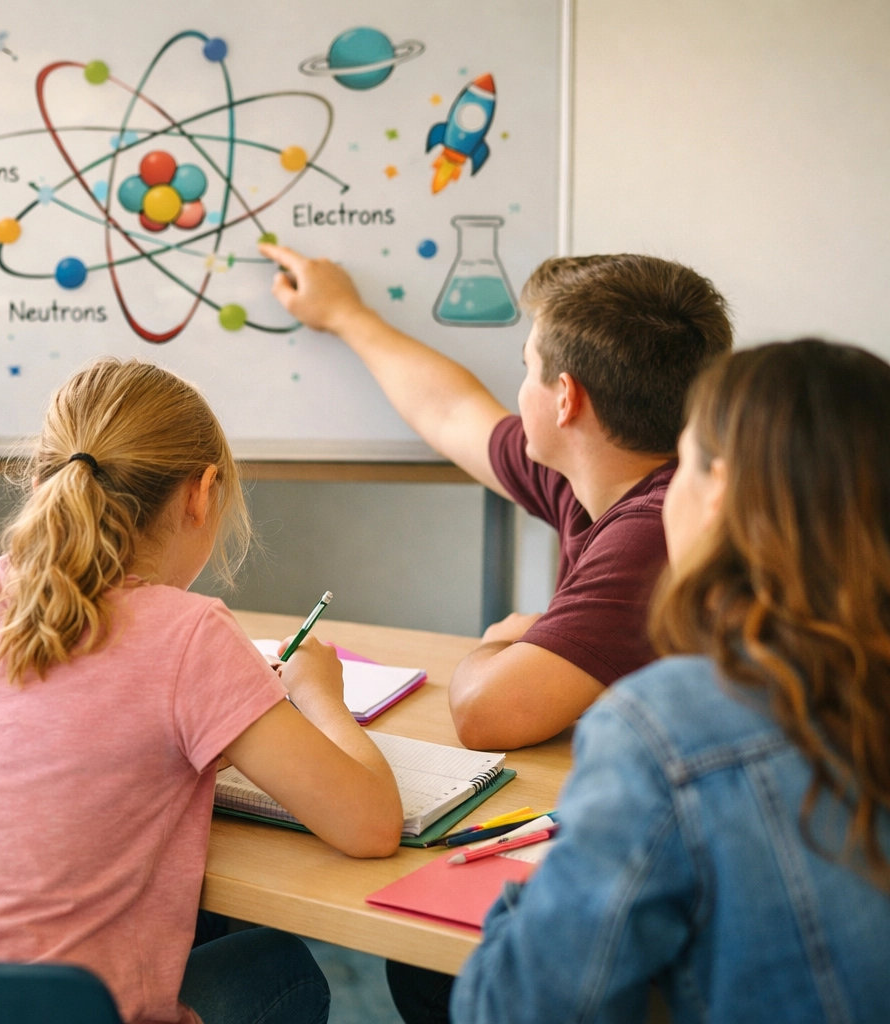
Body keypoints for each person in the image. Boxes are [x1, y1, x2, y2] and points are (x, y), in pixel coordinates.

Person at [0, 358, 404, 1024]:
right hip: (56, 1013)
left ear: (41, 477)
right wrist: (318, 696)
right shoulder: (190, 634)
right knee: (279, 968)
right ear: (200, 494)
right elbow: (370, 826)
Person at [450, 340, 890, 1022]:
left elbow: (519, 1010)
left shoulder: (672, 727)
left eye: (681, 462)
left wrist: (560, 877)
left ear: (716, 492)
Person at [262, 246, 732, 752]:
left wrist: (500, 642)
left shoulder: (655, 530)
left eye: (528, 368)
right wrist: (343, 314)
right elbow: (451, 411)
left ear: (566, 399)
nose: (521, 387)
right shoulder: (602, 472)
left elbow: (483, 713)